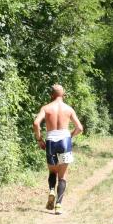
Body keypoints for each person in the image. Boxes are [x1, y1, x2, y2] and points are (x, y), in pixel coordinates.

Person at [32, 84, 83, 215]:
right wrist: (70, 135)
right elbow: (80, 128)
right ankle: (59, 205)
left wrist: (39, 139)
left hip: (50, 142)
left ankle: (51, 190)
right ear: (63, 95)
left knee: (52, 171)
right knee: (62, 176)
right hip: (65, 141)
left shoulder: (46, 108)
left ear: (51, 95)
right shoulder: (69, 109)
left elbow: (36, 123)